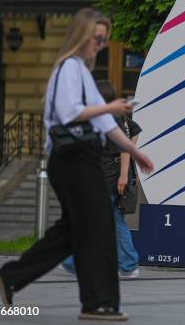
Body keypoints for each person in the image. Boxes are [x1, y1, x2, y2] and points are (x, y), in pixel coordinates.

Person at [0, 8, 154, 321]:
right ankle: (98, 304)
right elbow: (70, 113)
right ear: (81, 36)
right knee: (99, 227)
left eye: (103, 39)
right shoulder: (69, 68)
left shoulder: (81, 71)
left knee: (72, 230)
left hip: (78, 159)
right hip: (73, 161)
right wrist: (111, 106)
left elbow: (107, 125)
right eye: (96, 38)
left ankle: (13, 276)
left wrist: (133, 153)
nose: (100, 44)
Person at [61, 80, 141, 279]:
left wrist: (123, 174)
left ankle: (74, 261)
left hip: (108, 177)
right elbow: (135, 132)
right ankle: (126, 264)